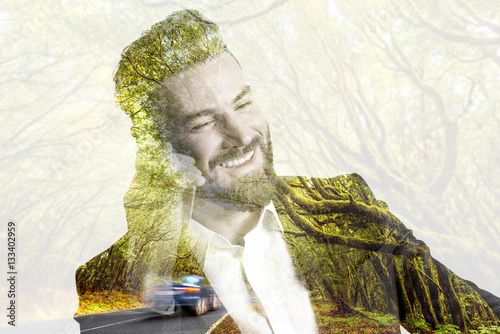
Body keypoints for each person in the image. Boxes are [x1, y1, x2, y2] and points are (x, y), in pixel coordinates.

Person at [78, 9, 500, 333]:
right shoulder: (113, 282)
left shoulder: (349, 211)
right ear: (158, 149)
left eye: (242, 103)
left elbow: (476, 319)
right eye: (204, 122)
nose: (243, 135)